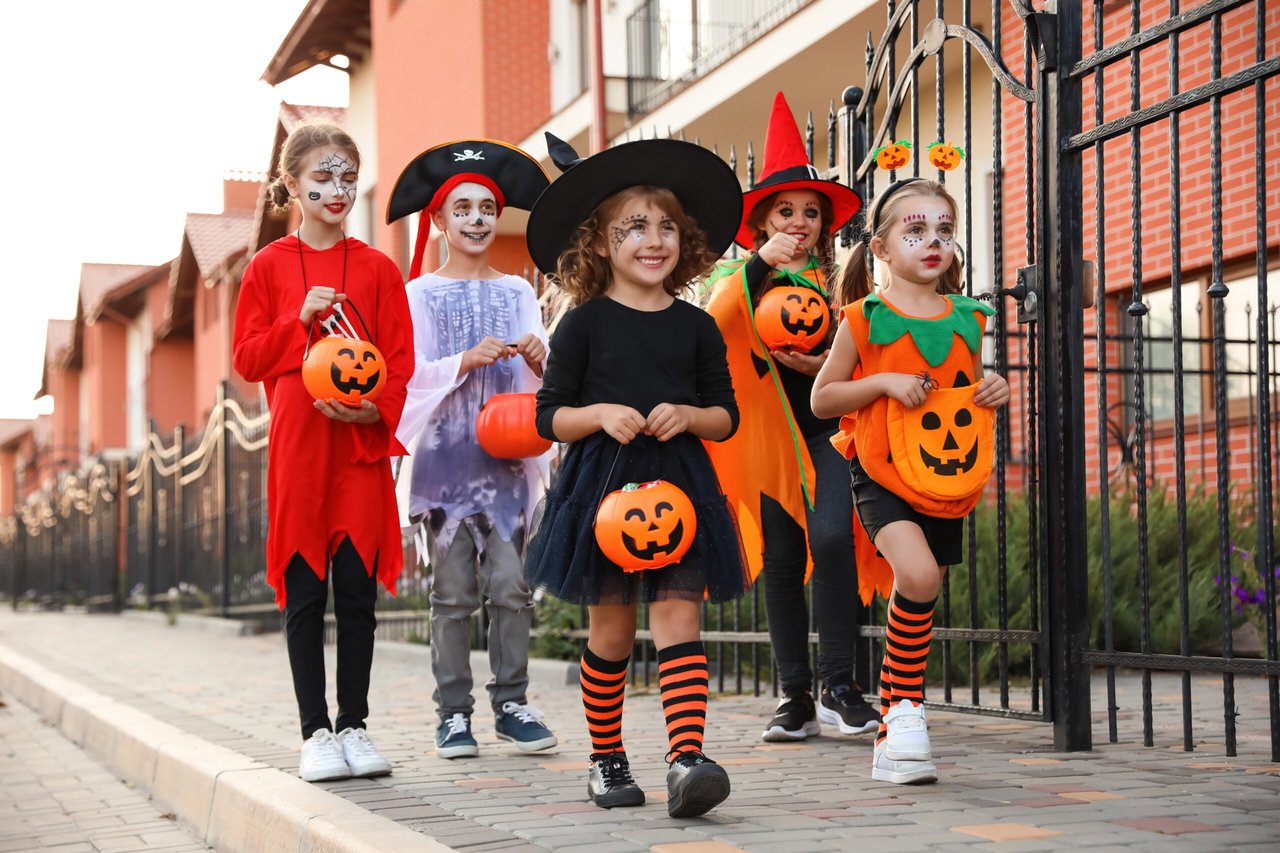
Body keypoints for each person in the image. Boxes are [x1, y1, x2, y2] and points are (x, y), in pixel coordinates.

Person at [523, 133, 748, 818]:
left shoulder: (698, 326)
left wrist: (689, 412)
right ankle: (607, 759)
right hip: (602, 489)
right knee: (613, 631)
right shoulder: (583, 326)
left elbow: (726, 416)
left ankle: (687, 758)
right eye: (636, 227)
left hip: (680, 485)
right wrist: (597, 414)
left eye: (667, 228)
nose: (655, 240)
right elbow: (548, 417)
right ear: (599, 242)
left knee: (679, 617)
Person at [811, 178, 1010, 785]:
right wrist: (881, 384)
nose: (933, 242)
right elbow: (823, 399)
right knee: (917, 575)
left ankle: (896, 719)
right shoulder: (864, 318)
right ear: (880, 247)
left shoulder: (970, 318)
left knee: (923, 592)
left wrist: (993, 388)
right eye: (915, 230)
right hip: (878, 470)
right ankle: (904, 711)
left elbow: (964, 391)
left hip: (941, 477)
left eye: (944, 231)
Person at [232, 123, 414, 783]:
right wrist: (298, 321)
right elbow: (248, 356)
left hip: (359, 450)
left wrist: (375, 407)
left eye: (346, 177)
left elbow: (399, 361)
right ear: (292, 186)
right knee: (305, 593)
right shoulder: (267, 267)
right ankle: (314, 731)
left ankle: (355, 725)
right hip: (300, 451)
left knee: (357, 595)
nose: (337, 190)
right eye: (322, 178)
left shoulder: (377, 269)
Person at [702, 92, 879, 742]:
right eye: (786, 211)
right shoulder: (740, 274)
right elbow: (715, 323)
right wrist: (758, 264)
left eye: (810, 212)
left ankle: (841, 684)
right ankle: (795, 694)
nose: (800, 221)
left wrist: (823, 370)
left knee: (832, 537)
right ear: (762, 222)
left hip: (826, 427)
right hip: (766, 434)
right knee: (780, 557)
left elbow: (868, 350)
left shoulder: (842, 280)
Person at [385, 139, 558, 759]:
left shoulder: (516, 292)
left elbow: (544, 376)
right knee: (453, 593)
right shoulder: (418, 296)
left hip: (506, 460)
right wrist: (463, 360)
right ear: (438, 220)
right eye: (463, 208)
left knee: (511, 586)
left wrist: (539, 357)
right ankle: (452, 714)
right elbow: (408, 377)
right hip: (446, 460)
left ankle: (512, 703)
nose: (478, 219)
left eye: (487, 208)